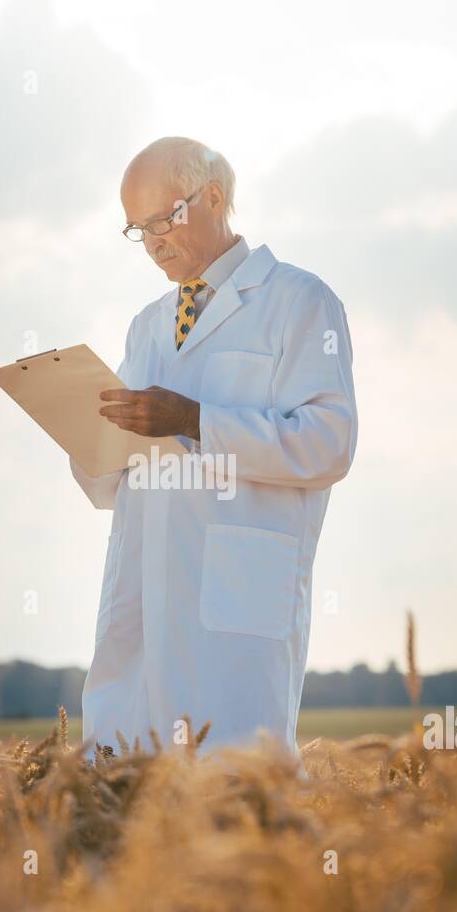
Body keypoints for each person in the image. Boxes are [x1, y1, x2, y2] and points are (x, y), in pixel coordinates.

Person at [70, 135, 357, 757]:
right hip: (143, 588)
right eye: (137, 230)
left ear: (215, 198)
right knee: (120, 801)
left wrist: (197, 420)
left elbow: (329, 444)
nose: (152, 243)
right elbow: (110, 483)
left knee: (234, 801)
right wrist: (85, 435)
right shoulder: (148, 325)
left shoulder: (299, 301)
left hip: (236, 597)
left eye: (163, 219)